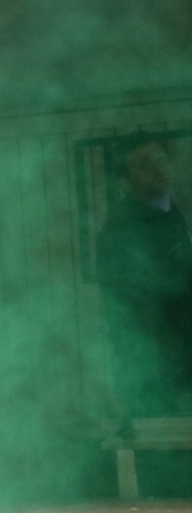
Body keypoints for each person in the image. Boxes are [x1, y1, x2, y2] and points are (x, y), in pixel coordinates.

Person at [97, 136, 192, 417]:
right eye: (143, 165)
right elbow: (145, 307)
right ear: (125, 181)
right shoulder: (121, 232)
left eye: (161, 160)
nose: (157, 168)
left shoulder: (174, 219)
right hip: (155, 375)